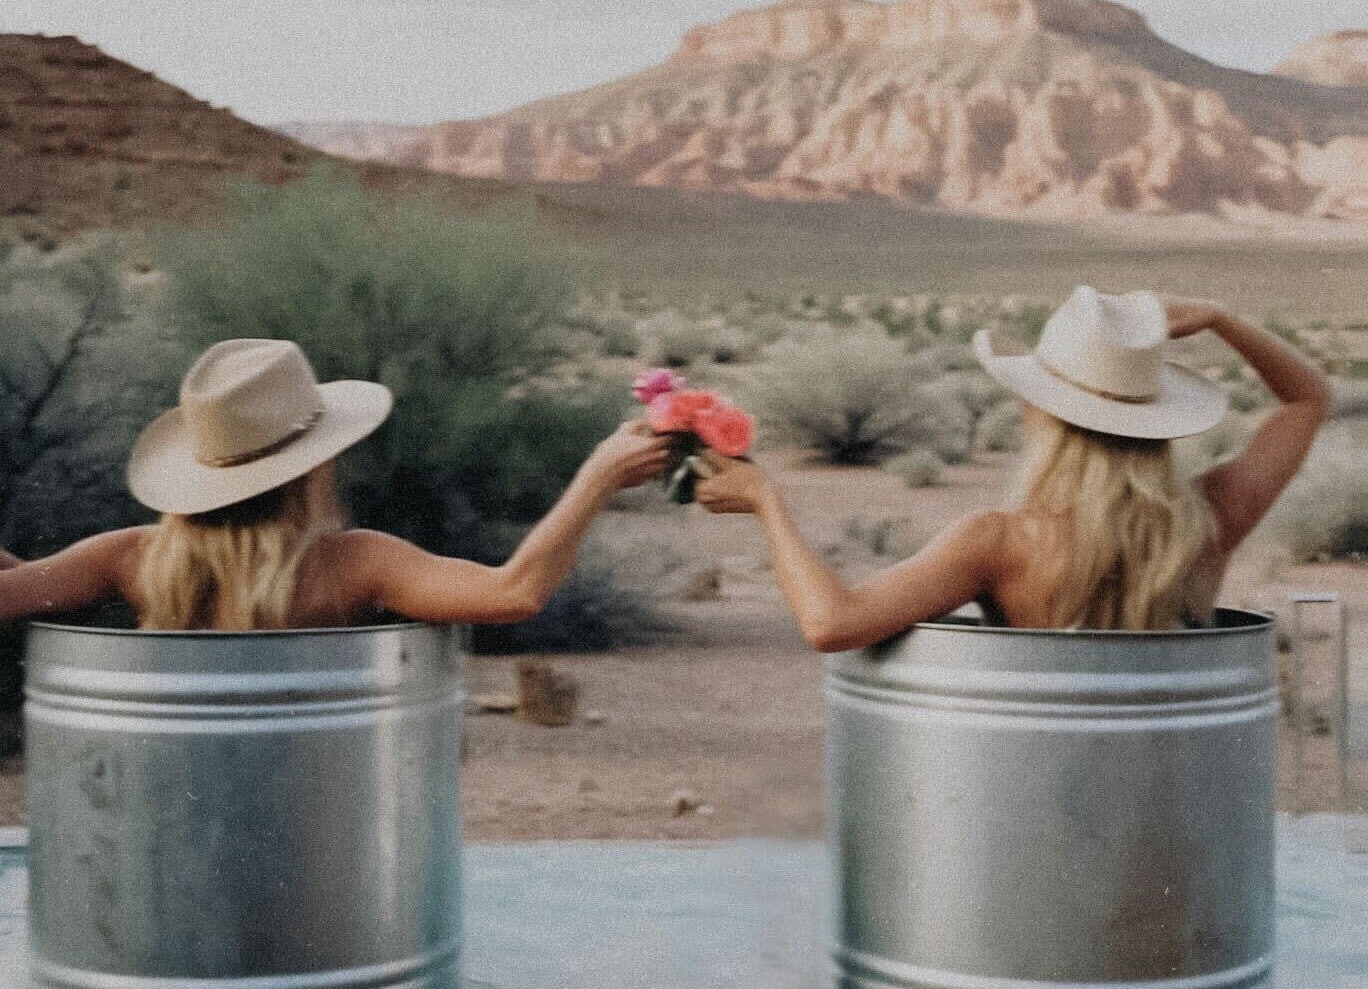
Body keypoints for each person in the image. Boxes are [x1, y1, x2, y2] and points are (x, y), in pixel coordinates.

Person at [694, 287, 1331, 649]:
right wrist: (1224, 318)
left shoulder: (1001, 540)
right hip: (1169, 810)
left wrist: (765, 502)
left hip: (1039, 803)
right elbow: (1309, 397)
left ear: (1040, 412)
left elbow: (833, 624)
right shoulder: (1213, 514)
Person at [0, 338, 671, 629]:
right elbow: (515, 591)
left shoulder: (128, 558)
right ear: (310, 466)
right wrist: (598, 476)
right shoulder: (355, 565)